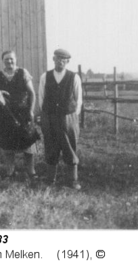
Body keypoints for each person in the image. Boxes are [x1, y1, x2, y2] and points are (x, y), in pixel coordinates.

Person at [38, 48, 83, 190]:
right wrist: (46, 113)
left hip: (68, 118)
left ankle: (73, 180)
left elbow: (78, 99)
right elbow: (41, 97)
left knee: (70, 146)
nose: (60, 62)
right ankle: (50, 180)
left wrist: (72, 115)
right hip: (50, 117)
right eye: (58, 59)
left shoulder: (74, 77)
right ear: (53, 59)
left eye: (63, 60)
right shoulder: (45, 76)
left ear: (67, 62)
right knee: (51, 146)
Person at [0, 50, 38, 179]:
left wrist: (31, 110)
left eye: (11, 59)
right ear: (3, 61)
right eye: (6, 59)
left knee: (28, 143)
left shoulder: (23, 73)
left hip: (23, 113)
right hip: (5, 114)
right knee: (7, 145)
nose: (9, 61)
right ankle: (10, 172)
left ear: (15, 59)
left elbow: (32, 93)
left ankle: (31, 171)